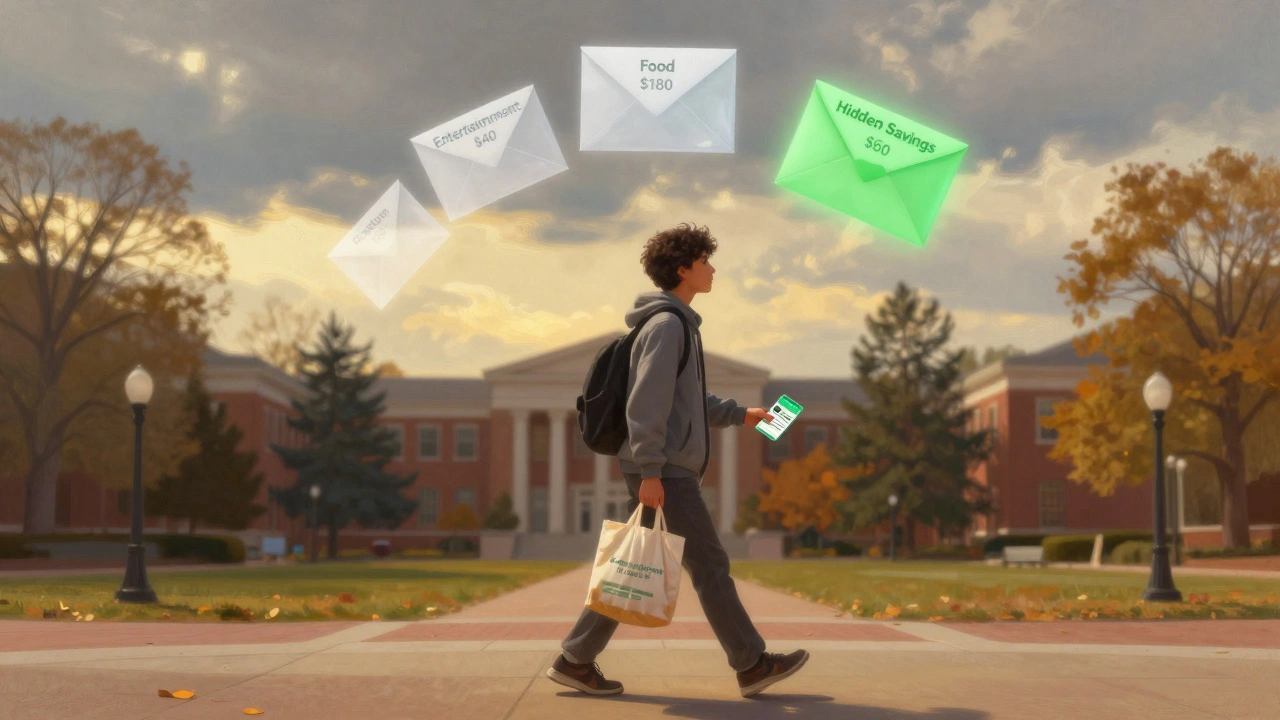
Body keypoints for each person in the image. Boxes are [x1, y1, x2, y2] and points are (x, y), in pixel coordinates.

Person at [547, 223, 809, 698]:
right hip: (663, 468)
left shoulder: (676, 325)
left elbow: (685, 400)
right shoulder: (668, 326)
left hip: (660, 465)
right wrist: (650, 471)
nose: (713, 269)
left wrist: (740, 414)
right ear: (683, 268)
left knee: (631, 566)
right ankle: (751, 664)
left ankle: (575, 659)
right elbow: (646, 403)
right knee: (709, 563)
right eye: (706, 260)